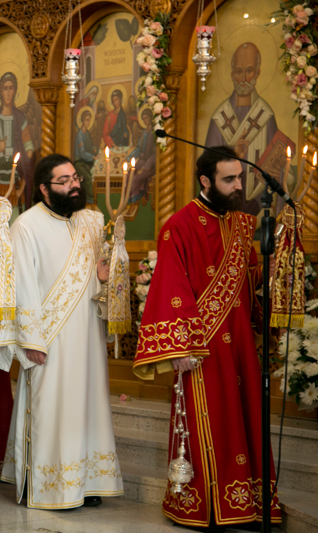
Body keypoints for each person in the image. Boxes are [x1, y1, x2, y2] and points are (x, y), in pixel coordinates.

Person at [134, 146, 284, 528]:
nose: (238, 186)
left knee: (245, 416)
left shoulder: (242, 224)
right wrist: (179, 347)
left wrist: (269, 273)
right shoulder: (179, 226)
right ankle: (208, 508)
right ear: (206, 181)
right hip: (201, 347)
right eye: (228, 179)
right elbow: (171, 287)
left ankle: (246, 504)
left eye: (240, 178)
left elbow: (248, 281)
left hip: (240, 345)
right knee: (212, 422)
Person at [0, 154, 122, 510]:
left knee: (89, 406)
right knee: (51, 408)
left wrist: (104, 278)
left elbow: (100, 278)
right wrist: (30, 339)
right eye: (64, 181)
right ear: (44, 188)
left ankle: (88, 480)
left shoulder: (93, 221)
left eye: (75, 179)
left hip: (87, 334)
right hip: (50, 339)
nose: (74, 185)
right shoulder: (27, 226)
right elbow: (22, 285)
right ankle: (49, 483)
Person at [205, 43, 280, 215]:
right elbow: (207, 166)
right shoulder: (220, 117)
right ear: (232, 75)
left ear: (258, 72)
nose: (244, 78)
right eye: (239, 72)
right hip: (224, 205)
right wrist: (235, 155)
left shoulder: (266, 116)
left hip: (260, 206)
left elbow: (278, 166)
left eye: (249, 70)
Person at [0, 72, 35, 208]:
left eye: (11, 88)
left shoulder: (21, 120)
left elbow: (29, 153)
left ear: (15, 91)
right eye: (5, 88)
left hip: (16, 184)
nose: (8, 92)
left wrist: (22, 185)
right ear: (0, 92)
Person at [73, 109, 98, 202]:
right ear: (83, 121)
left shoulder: (87, 133)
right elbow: (82, 153)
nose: (88, 122)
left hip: (86, 161)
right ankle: (90, 199)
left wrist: (94, 148)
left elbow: (90, 147)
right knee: (88, 178)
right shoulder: (80, 135)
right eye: (86, 120)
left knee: (94, 173)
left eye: (89, 120)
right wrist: (92, 157)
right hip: (79, 163)